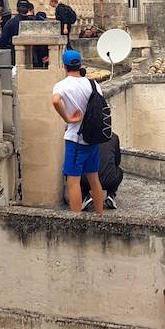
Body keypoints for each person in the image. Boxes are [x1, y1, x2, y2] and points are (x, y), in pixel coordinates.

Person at [51, 50, 105, 215]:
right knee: (94, 178)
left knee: (73, 181)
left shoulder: (62, 85)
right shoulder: (93, 84)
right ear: (80, 64)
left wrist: (67, 118)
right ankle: (100, 216)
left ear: (64, 65)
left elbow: (55, 100)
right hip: (92, 138)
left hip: (76, 138)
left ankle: (75, 221)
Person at [80, 132, 122, 211]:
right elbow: (117, 161)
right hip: (109, 180)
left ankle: (86, 196)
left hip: (88, 180)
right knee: (119, 171)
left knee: (75, 170)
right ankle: (111, 194)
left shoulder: (83, 136)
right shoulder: (114, 137)